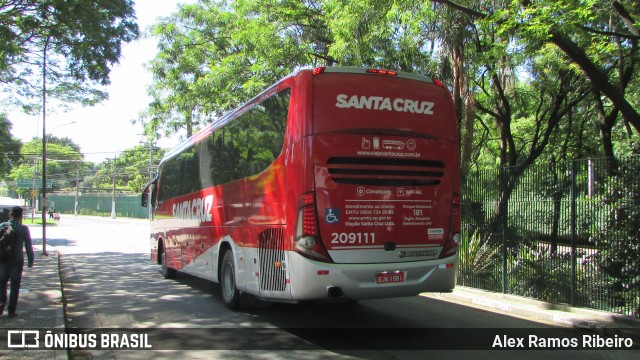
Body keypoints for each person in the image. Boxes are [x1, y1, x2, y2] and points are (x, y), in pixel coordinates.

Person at [0, 206, 34, 318]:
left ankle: (1, 301)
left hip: (3, 260)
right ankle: (11, 311)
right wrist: (30, 260)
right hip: (17, 260)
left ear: (10, 214)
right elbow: (28, 245)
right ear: (21, 216)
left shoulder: (2, 226)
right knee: (15, 286)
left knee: (2, 283)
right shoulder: (24, 228)